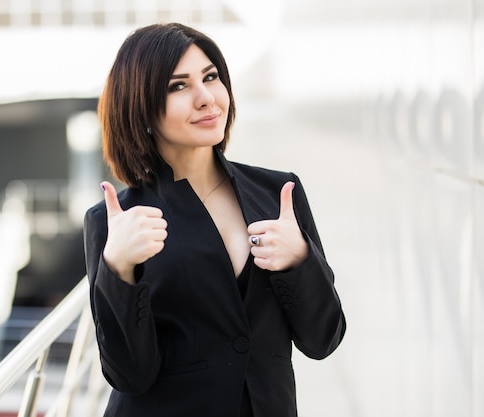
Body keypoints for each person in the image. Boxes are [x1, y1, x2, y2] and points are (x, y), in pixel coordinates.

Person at [83, 22, 346, 417]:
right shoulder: (113, 221)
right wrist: (117, 271)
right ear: (142, 108)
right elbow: (129, 375)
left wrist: (299, 261)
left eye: (211, 77)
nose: (206, 98)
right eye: (178, 86)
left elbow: (323, 338)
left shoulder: (279, 194)